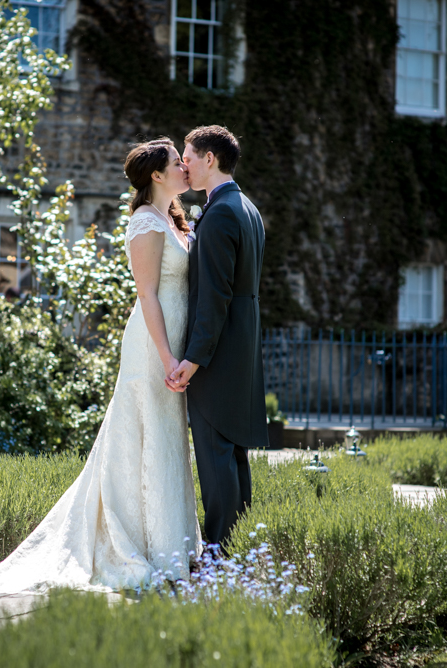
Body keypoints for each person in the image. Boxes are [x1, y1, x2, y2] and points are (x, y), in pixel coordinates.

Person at [0, 138, 200, 594]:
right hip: (152, 348)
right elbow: (147, 294)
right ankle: (144, 550)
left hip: (178, 343)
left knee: (166, 441)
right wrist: (167, 357)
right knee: (146, 435)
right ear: (158, 176)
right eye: (177, 163)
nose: (186, 167)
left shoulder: (175, 220)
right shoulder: (146, 222)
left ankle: (173, 547)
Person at [167, 125, 269, 548]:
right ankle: (238, 552)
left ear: (210, 159)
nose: (184, 165)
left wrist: (194, 358)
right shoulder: (246, 206)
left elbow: (215, 296)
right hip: (241, 346)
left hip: (219, 351)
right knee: (232, 453)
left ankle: (220, 555)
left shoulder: (223, 211)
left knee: (215, 457)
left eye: (188, 157)